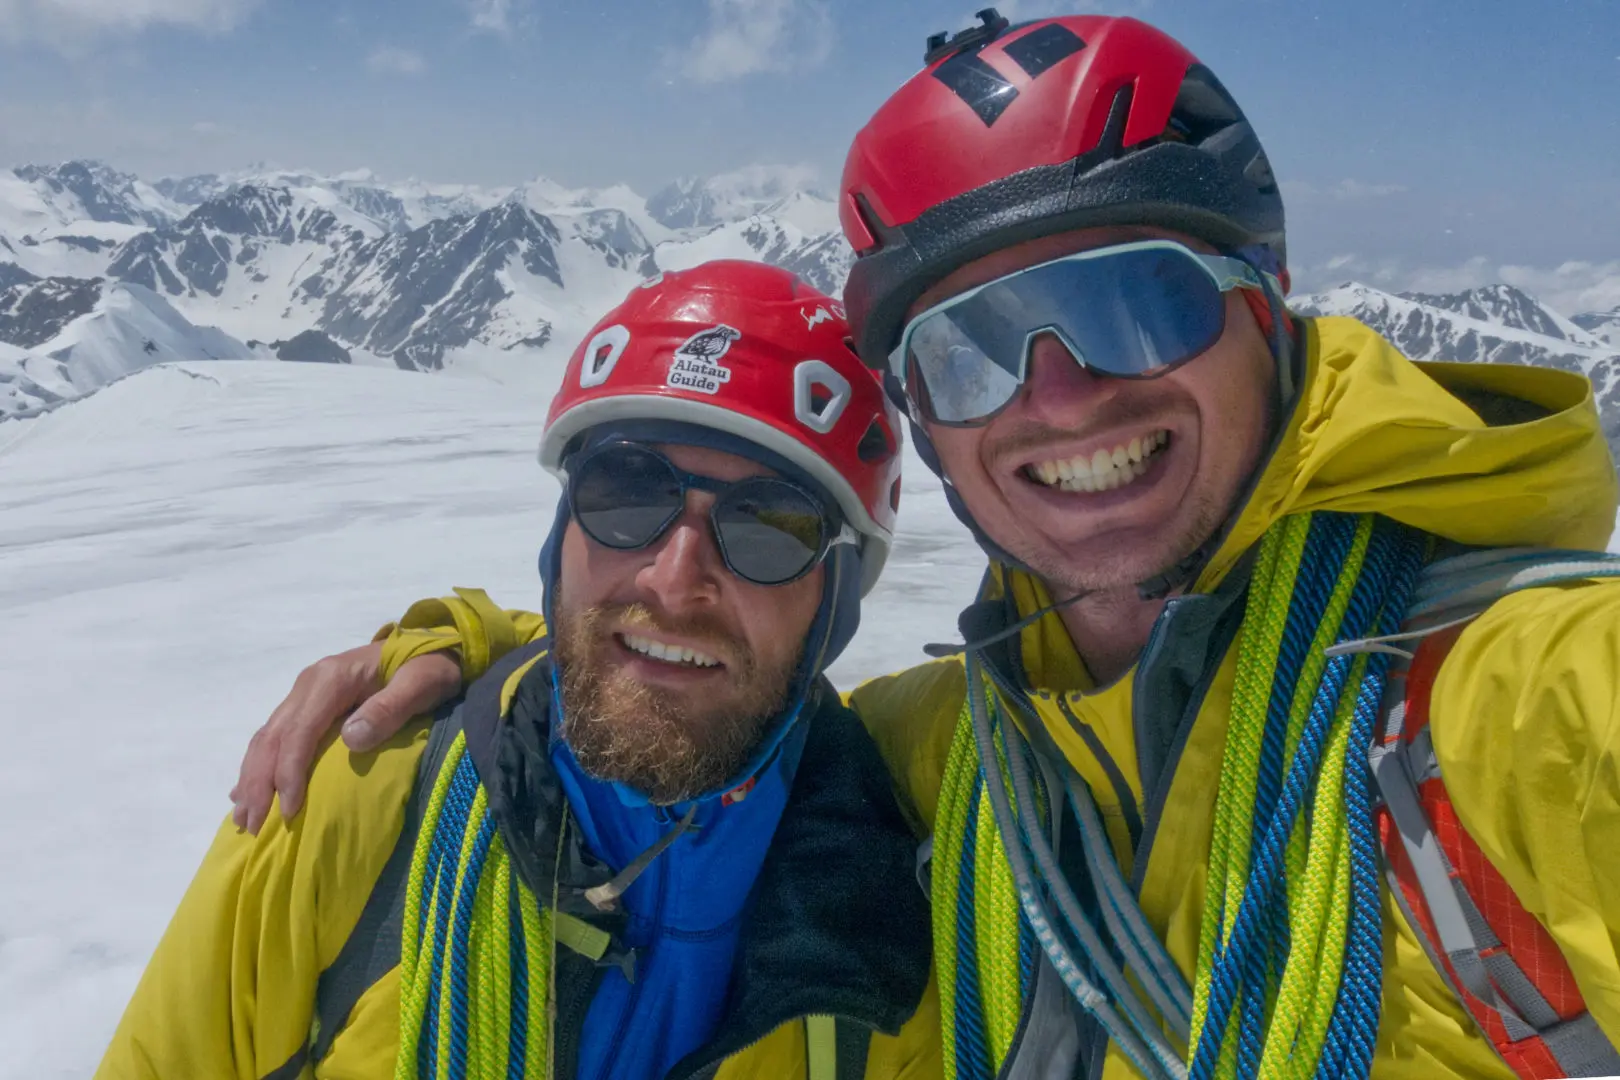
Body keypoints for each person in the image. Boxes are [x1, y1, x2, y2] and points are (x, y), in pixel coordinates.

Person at [229, 10, 1620, 1080]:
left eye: (1135, 302)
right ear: (931, 434)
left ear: (1271, 314)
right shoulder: (935, 764)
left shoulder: (1516, 704)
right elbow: (691, 689)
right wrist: (480, 657)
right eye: (973, 352)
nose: (1062, 392)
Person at [95, 261, 936, 1079]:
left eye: (770, 529)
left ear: (835, 606)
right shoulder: (357, 806)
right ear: (559, 541)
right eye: (625, 495)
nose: (673, 581)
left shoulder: (900, 913)